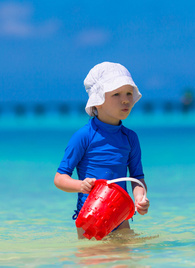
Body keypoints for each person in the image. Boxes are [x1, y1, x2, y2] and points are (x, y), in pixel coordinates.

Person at [54, 61, 150, 239]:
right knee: (93, 261)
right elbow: (59, 178)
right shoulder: (83, 136)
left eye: (129, 93)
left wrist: (140, 198)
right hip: (90, 216)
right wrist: (80, 185)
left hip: (121, 217)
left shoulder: (130, 138)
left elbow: (136, 178)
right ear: (97, 101)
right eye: (116, 94)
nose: (125, 99)